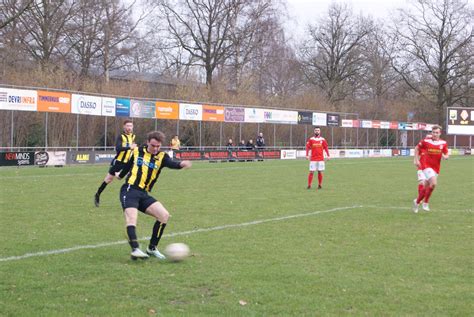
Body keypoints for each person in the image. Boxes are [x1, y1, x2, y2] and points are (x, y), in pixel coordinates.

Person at [119, 131, 192, 260]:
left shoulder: (162, 157)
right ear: (148, 142)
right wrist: (119, 175)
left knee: (163, 215)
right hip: (130, 190)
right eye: (153, 145)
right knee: (131, 219)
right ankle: (135, 249)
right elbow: (127, 166)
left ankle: (152, 248)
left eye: (158, 146)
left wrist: (182, 164)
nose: (155, 149)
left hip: (143, 193)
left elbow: (173, 164)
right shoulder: (137, 152)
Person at [94, 119, 137, 207]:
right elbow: (118, 148)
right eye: (128, 126)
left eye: (131, 126)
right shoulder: (121, 136)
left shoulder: (133, 136)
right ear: (124, 127)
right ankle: (97, 194)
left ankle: (129, 199)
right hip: (119, 162)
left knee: (131, 179)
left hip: (128, 163)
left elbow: (133, 148)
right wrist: (130, 147)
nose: (129, 128)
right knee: (108, 179)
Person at [412, 125, 448, 213]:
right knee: (434, 183)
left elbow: (446, 154)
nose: (435, 134)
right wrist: (416, 159)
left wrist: (445, 156)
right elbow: (417, 148)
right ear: (431, 133)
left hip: (436, 168)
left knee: (426, 187)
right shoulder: (426, 141)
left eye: (437, 133)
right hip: (425, 166)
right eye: (433, 132)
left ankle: (416, 203)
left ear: (440, 133)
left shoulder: (443, 143)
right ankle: (426, 203)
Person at [415, 133, 432, 208]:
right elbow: (416, 153)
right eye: (427, 138)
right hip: (421, 168)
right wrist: (415, 160)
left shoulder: (431, 148)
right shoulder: (421, 147)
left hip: (428, 169)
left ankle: (421, 198)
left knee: (426, 184)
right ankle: (420, 198)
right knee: (421, 182)